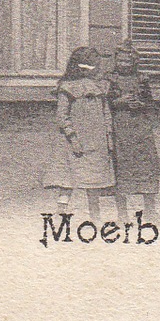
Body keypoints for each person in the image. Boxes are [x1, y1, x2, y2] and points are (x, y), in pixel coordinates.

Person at [44, 46, 114, 220]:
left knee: (94, 180)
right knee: (67, 178)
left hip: (96, 140)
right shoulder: (67, 87)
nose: (98, 69)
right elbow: (62, 115)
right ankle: (61, 212)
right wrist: (72, 137)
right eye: (94, 65)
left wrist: (109, 136)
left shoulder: (99, 87)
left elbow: (106, 113)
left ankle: (95, 217)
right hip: (74, 140)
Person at [107, 43, 159, 223]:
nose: (123, 64)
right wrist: (118, 102)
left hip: (140, 129)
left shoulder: (142, 79)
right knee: (121, 169)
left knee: (147, 167)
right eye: (120, 60)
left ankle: (150, 210)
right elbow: (103, 106)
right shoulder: (110, 80)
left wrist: (141, 104)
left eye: (127, 61)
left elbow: (151, 104)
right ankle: (122, 213)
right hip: (120, 128)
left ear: (134, 62)